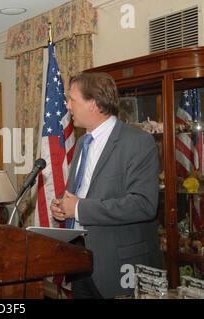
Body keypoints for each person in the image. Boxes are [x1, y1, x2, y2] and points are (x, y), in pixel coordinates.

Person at [50, 72, 162, 299]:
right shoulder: (82, 143)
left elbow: (143, 204)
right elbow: (82, 192)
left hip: (120, 266)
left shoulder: (138, 142)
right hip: (80, 264)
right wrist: (64, 207)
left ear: (93, 103)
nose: (67, 106)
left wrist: (79, 209)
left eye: (72, 99)